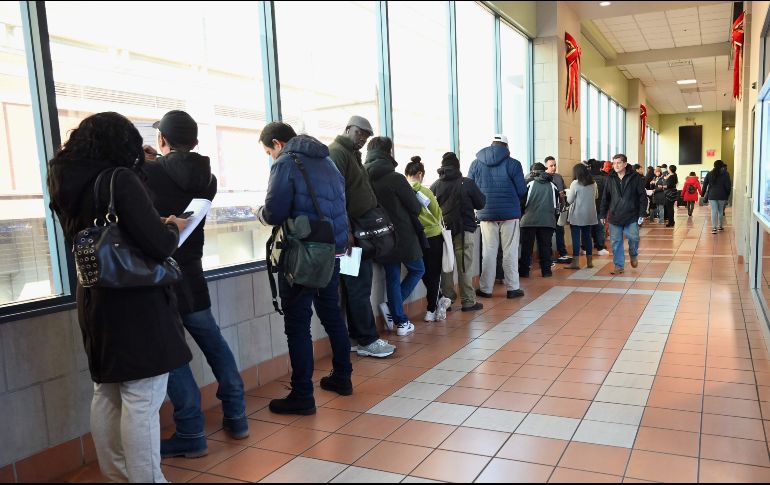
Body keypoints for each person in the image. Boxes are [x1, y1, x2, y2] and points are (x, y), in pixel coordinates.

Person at [48, 112, 191, 483]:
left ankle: (119, 477)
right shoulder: (120, 180)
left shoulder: (65, 178)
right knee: (142, 400)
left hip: (95, 298)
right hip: (135, 302)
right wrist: (172, 227)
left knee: (107, 393)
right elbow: (157, 244)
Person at [143, 111, 248, 458]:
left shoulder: (146, 172)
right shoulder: (209, 178)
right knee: (213, 340)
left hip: (160, 273)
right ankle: (236, 413)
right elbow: (180, 178)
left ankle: (190, 431)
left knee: (173, 352)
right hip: (192, 271)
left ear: (162, 140)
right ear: (196, 142)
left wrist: (143, 162)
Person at [257, 122, 353, 415]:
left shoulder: (286, 162)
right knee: (332, 316)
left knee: (297, 326)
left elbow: (274, 212)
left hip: (303, 254)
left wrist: (259, 214)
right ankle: (343, 377)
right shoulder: (327, 161)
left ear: (276, 143)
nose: (271, 157)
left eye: (268, 152)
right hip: (332, 251)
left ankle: (302, 395)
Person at [328, 116, 395, 359]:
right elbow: (337, 197)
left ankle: (359, 337)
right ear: (348, 129)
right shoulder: (337, 153)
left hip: (357, 231)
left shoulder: (352, 154)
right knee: (358, 285)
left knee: (357, 285)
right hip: (350, 235)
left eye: (366, 135)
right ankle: (367, 339)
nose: (363, 138)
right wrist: (345, 232)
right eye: (359, 133)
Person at [364, 136, 425, 336]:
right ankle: (393, 310)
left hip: (379, 237)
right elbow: (415, 208)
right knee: (418, 269)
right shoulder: (395, 178)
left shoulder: (362, 177)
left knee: (392, 275)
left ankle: (399, 321)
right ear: (388, 153)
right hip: (402, 236)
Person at [468, 134, 528, 299]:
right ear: (506, 147)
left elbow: (470, 189)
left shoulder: (476, 163)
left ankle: (486, 289)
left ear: (491, 145)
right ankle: (513, 288)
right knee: (510, 251)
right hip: (510, 215)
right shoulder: (514, 164)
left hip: (486, 214)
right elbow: (522, 190)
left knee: (488, 252)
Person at [431, 152, 486, 312]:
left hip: (444, 232)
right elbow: (481, 203)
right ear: (457, 166)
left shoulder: (435, 185)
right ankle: (468, 302)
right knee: (465, 267)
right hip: (464, 231)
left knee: (446, 266)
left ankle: (447, 301)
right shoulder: (466, 183)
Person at [405, 156, 450, 322]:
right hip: (432, 236)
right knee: (433, 274)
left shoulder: (401, 190)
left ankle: (439, 300)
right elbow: (437, 214)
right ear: (420, 174)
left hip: (413, 238)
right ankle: (431, 309)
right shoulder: (426, 191)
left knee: (422, 271)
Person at [599, 154, 647, 275]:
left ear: (625, 164)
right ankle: (619, 265)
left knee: (634, 238)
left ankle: (633, 254)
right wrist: (602, 214)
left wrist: (642, 213)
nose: (616, 165)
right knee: (616, 242)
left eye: (619, 163)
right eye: (614, 163)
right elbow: (605, 197)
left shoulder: (635, 177)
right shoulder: (610, 178)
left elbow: (642, 196)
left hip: (631, 215)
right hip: (615, 216)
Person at [519, 163, 558, 278]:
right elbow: (557, 205)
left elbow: (522, 203)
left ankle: (524, 271)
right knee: (545, 247)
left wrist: (522, 215)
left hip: (528, 221)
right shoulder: (553, 185)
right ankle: (546, 271)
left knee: (527, 247)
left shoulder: (528, 184)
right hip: (547, 221)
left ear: (533, 172)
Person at [566, 163, 598, 270]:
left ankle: (575, 263)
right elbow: (596, 196)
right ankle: (589, 262)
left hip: (577, 214)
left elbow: (569, 200)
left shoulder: (575, 183)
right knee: (587, 237)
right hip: (589, 214)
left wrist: (567, 194)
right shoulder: (593, 183)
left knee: (576, 238)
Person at [544, 156, 571, 264]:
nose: (554, 167)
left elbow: (564, 190)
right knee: (548, 234)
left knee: (560, 231)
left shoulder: (558, 177)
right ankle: (549, 255)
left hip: (559, 209)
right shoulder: (543, 179)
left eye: (555, 165)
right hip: (548, 211)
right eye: (551, 166)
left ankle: (563, 253)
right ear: (546, 166)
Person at [702, 159, 732, 234]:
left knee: (714, 210)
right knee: (720, 211)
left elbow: (705, 184)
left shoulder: (709, 173)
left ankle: (714, 228)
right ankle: (720, 226)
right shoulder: (726, 174)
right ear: (722, 166)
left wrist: (702, 194)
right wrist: (728, 194)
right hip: (722, 195)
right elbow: (728, 186)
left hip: (712, 195)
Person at [590, 159, 610, 256]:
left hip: (588, 208)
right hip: (601, 207)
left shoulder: (586, 178)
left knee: (588, 228)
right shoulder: (604, 178)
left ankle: (586, 247)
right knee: (600, 227)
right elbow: (608, 194)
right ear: (600, 167)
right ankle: (600, 247)